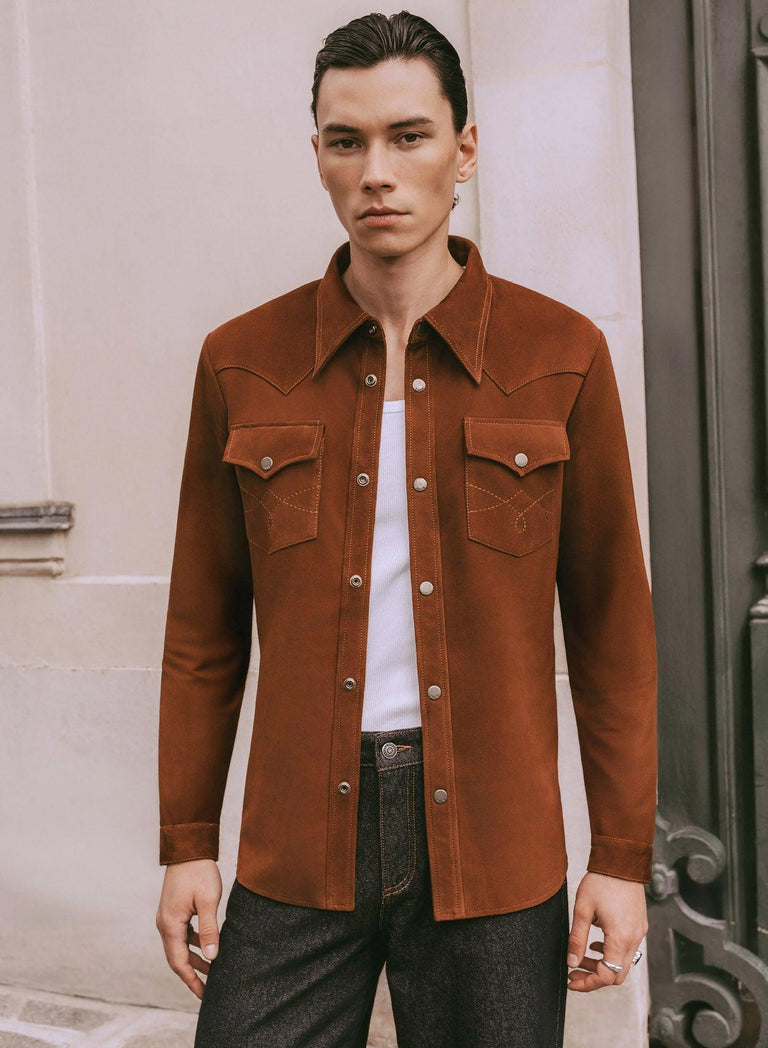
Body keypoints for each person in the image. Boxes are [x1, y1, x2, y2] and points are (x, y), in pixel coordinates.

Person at [155, 10, 657, 1047]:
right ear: (321, 159)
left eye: (409, 136)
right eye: (348, 142)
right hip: (299, 841)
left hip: (494, 843)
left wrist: (619, 855)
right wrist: (186, 842)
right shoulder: (241, 361)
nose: (377, 171)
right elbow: (203, 635)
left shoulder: (560, 353)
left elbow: (610, 630)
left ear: (464, 150)